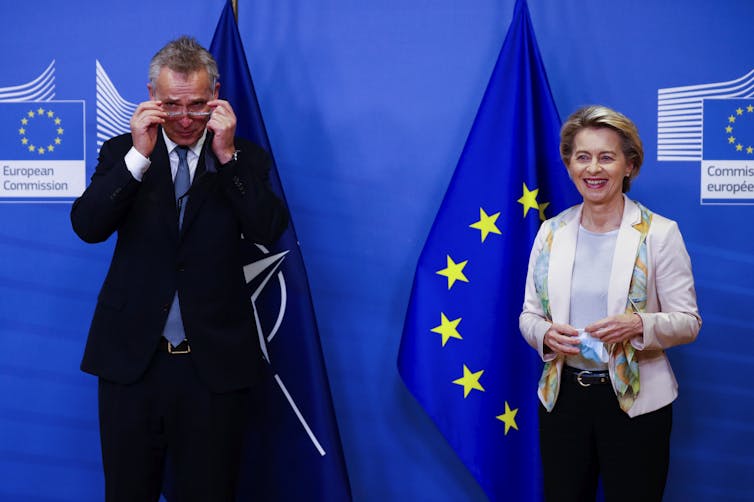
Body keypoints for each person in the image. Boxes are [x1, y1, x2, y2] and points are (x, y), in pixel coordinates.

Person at [70, 36, 289, 501]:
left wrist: (228, 158)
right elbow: (88, 226)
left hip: (213, 367)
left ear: (217, 97)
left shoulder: (245, 156)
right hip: (132, 364)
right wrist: (138, 156)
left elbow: (269, 228)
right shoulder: (121, 154)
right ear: (151, 97)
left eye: (197, 104)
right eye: (172, 105)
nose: (186, 118)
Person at [519, 105, 701, 502]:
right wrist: (546, 333)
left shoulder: (659, 234)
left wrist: (638, 326)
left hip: (637, 405)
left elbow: (688, 321)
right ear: (568, 164)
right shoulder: (551, 233)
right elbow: (529, 315)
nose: (593, 169)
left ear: (629, 165)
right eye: (582, 157)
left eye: (606, 156)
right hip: (562, 399)